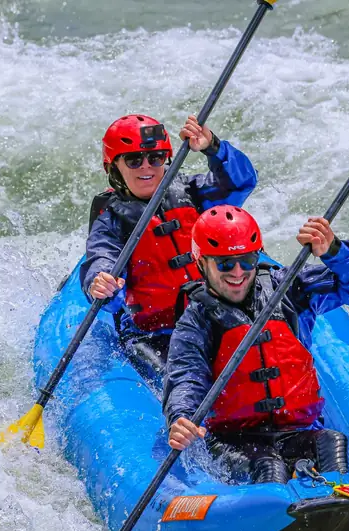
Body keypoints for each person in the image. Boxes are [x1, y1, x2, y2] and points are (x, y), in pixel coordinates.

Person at [161, 205, 349, 484]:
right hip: (234, 441)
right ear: (201, 262)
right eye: (225, 263)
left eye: (247, 260)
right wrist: (181, 417)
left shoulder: (288, 291)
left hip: (298, 431)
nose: (238, 272)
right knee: (269, 468)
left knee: (331, 443)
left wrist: (334, 250)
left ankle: (343, 508)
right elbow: (185, 377)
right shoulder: (196, 321)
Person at [80, 114, 257, 380]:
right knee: (181, 380)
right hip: (155, 334)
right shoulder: (111, 222)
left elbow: (241, 181)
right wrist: (101, 283)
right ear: (114, 166)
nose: (146, 167)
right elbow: (101, 259)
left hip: (212, 314)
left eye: (156, 158)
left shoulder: (192, 192)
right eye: (134, 160)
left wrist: (212, 146)